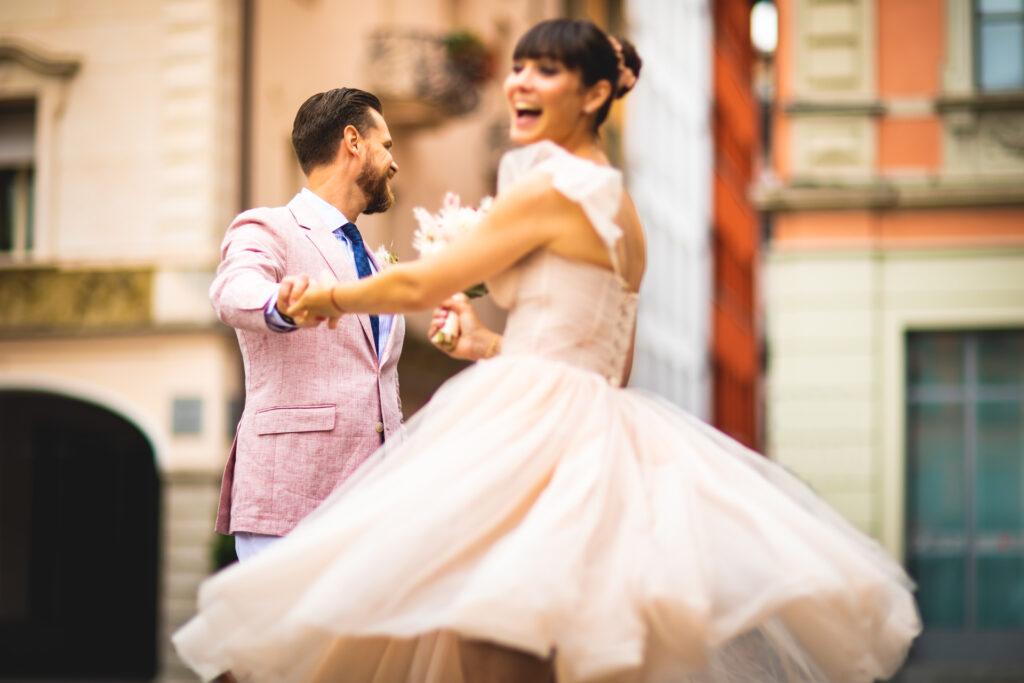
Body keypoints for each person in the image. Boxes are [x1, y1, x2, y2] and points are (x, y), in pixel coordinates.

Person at [174, 19, 920, 682]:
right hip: (571, 433)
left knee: (471, 640)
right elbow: (600, 362)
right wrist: (490, 340)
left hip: (512, 441)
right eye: (518, 67)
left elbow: (426, 283)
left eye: (544, 71)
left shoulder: (546, 191)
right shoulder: (623, 211)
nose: (518, 82)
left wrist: (327, 298)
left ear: (595, 94)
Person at [208, 87, 404, 562]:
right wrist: (279, 304)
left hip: (378, 509)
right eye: (387, 146)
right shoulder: (269, 227)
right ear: (353, 141)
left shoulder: (376, 265)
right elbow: (233, 289)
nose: (393, 163)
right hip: (292, 500)